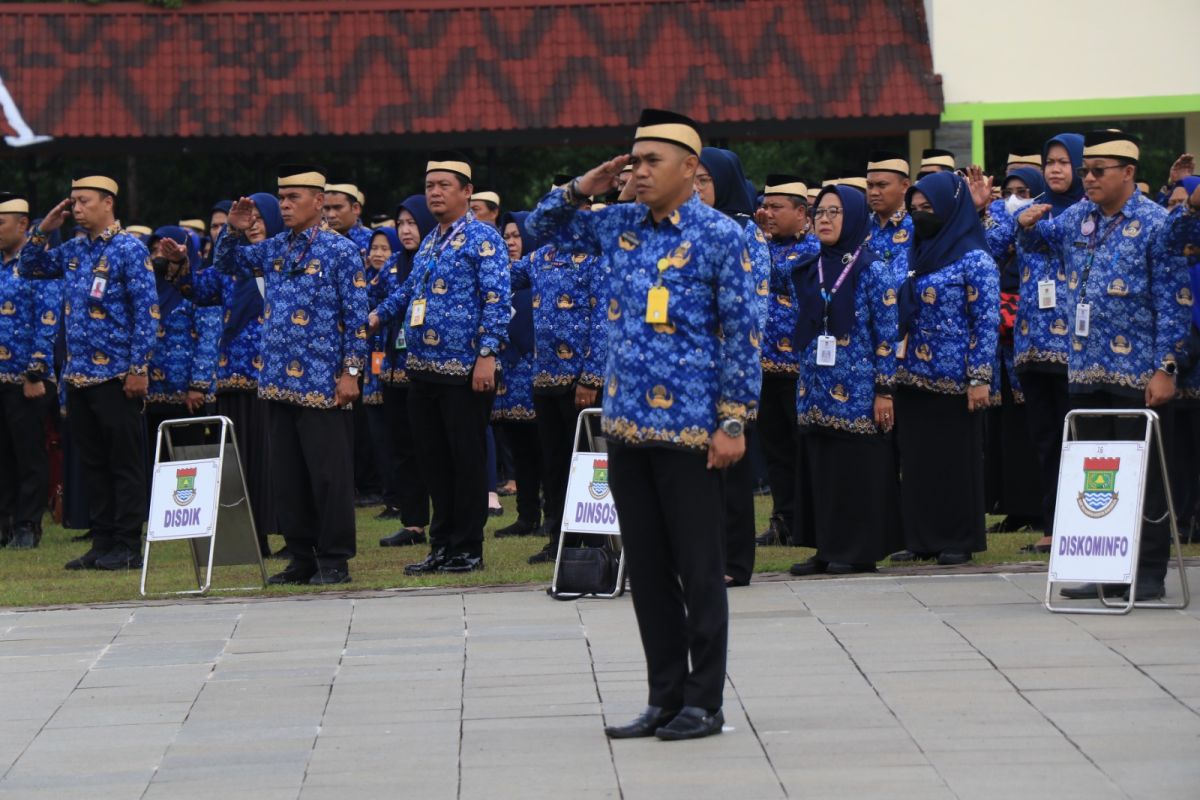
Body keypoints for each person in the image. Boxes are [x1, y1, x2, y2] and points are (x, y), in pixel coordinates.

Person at [528, 108, 760, 741]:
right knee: (649, 571)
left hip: (691, 429)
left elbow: (742, 335)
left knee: (699, 568)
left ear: (692, 168)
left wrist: (734, 421)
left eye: (653, 159)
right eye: (634, 157)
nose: (639, 169)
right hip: (627, 425)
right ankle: (664, 696)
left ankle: (703, 700)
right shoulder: (619, 225)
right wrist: (585, 186)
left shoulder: (722, 235)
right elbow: (538, 228)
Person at [1019, 131, 1191, 601]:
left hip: (1139, 371)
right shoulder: (1077, 217)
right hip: (1087, 368)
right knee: (1099, 473)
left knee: (1146, 475)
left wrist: (1167, 368)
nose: (1088, 179)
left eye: (1099, 171)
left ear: (1129, 173)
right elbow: (1033, 247)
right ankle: (1102, 566)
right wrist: (1028, 224)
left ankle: (1148, 570)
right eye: (1086, 171)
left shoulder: (1157, 224)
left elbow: (1175, 302)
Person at [205, 164, 368, 585]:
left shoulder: (340, 250)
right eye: (282, 197)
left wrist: (351, 373)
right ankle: (301, 555)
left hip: (321, 381)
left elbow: (356, 322)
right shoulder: (276, 247)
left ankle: (334, 559)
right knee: (288, 475)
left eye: (294, 197)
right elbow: (227, 264)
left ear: (318, 201)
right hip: (276, 380)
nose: (285, 205)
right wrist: (235, 230)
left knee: (328, 474)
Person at [368, 152, 510, 575]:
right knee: (433, 462)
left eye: (444, 185)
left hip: (465, 370)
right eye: (429, 186)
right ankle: (442, 545)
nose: (434, 192)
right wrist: (375, 316)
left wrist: (486, 355)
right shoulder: (431, 240)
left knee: (465, 462)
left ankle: (468, 548)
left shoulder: (484, 239)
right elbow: (408, 291)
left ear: (467, 191)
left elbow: (497, 301)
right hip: (422, 368)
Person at [21, 173, 157, 570]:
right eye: (73, 202)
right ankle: (103, 541)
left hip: (117, 375)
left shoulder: (129, 249)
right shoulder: (75, 250)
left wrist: (138, 368)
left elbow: (147, 313)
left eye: (83, 201)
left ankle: (129, 545)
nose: (76, 209)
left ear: (108, 203)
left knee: (124, 462)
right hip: (78, 376)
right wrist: (44, 230)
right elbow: (30, 267)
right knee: (93, 464)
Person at [788, 185, 900, 575]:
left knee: (854, 470)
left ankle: (857, 550)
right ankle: (826, 546)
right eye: (820, 212)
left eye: (835, 212)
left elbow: (887, 337)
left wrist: (884, 391)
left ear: (852, 217)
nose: (825, 219)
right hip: (815, 389)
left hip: (858, 391)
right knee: (821, 468)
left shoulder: (873, 269)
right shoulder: (808, 267)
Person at [890, 171, 999, 566]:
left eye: (928, 209)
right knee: (918, 461)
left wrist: (979, 378)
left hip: (957, 380)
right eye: (914, 210)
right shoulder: (916, 252)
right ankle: (921, 538)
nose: (920, 217)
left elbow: (984, 321)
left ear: (951, 210)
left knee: (956, 461)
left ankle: (958, 538)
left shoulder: (975, 258)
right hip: (913, 375)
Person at [508, 179, 608, 564]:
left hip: (580, 380)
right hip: (544, 376)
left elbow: (603, 321)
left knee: (590, 460)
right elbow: (504, 277)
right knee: (555, 463)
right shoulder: (540, 258)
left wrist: (591, 377)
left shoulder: (597, 257)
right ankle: (559, 537)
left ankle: (597, 538)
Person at [177, 192, 281, 556]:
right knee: (241, 462)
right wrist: (178, 268)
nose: (254, 227)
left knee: (273, 461)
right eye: (247, 222)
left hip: (276, 378)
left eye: (260, 220)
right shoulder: (233, 268)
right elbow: (198, 289)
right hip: (231, 377)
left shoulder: (285, 261)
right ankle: (254, 538)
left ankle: (292, 535)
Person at [1008, 133, 1086, 551]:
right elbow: (989, 245)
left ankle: (1081, 525)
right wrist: (1015, 220)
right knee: (1045, 441)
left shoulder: (1089, 211)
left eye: (1063, 162)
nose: (1055, 169)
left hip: (1076, 348)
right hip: (1031, 345)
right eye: (1049, 162)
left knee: (1076, 437)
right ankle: (1051, 527)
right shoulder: (1031, 208)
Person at [695, 146, 768, 586]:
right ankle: (701, 559)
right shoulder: (686, 229)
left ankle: (734, 563)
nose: (697, 188)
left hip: (730, 370)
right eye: (692, 179)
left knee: (733, 476)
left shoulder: (745, 233)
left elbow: (752, 311)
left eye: (705, 180)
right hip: (690, 374)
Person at [753, 175, 818, 548]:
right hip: (764, 366)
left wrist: (757, 243)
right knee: (775, 449)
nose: (768, 213)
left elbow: (780, 276)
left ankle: (808, 518)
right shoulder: (764, 245)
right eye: (765, 205)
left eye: (777, 207)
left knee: (800, 446)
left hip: (798, 367)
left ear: (801, 212)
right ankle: (783, 518)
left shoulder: (811, 249)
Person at [0, 193, 59, 550]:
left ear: (23, 224)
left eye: (1, 222)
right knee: (2, 455)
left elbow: (48, 319)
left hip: (26, 379)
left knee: (28, 453)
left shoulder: (39, 264)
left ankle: (27, 524)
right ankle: (4, 522)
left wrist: (35, 372)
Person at [377, 195, 435, 547]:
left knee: (431, 446)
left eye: (412, 223)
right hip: (395, 370)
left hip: (428, 369)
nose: (406, 230)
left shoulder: (435, 260)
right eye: (401, 224)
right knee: (402, 448)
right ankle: (413, 523)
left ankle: (445, 518)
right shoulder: (393, 265)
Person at [143, 226, 220, 466]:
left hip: (188, 396)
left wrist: (198, 385)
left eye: (165, 250)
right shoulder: (147, 289)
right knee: (154, 464)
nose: (158, 256)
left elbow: (209, 338)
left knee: (187, 466)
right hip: (151, 395)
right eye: (154, 250)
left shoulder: (199, 288)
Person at [491, 211, 544, 543]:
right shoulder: (503, 278)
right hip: (507, 375)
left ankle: (550, 512)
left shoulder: (541, 273)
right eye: (506, 236)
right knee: (518, 447)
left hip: (535, 370)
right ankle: (526, 515)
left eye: (516, 235)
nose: (511, 242)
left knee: (543, 447)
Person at [865, 151, 913, 265]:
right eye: (870, 186)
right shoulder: (861, 227)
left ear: (905, 186)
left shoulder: (917, 227)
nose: (873, 192)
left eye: (882, 185)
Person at [324, 183, 373, 254]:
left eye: (337, 207)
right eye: (326, 208)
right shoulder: (314, 240)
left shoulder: (373, 241)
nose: (331, 215)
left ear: (356, 208)